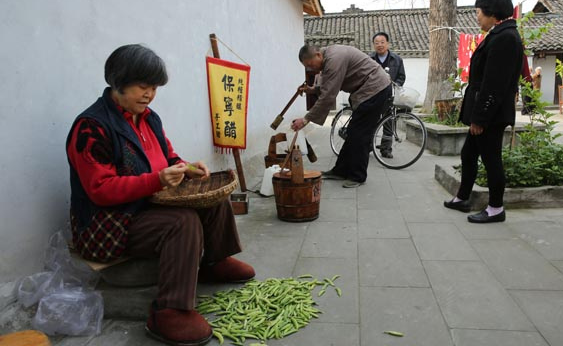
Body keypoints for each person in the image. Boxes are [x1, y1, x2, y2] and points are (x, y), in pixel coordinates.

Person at [66, 44, 255, 345]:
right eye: (143, 86)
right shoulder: (91, 128)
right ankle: (170, 311)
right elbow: (100, 190)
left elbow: (167, 157)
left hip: (147, 206)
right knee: (182, 222)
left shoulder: (149, 118)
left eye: (154, 87)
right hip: (108, 223)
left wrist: (186, 167)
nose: (149, 94)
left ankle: (214, 261)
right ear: (118, 82)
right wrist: (156, 180)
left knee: (213, 196)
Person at [443, 0, 524, 224]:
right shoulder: (498, 34)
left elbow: (494, 84)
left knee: (491, 159)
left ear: (491, 12)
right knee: (469, 153)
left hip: (491, 114)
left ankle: (496, 208)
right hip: (484, 110)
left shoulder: (506, 38)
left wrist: (480, 118)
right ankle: (463, 197)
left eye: (478, 11)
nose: (476, 16)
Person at [291, 44, 392, 188]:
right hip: (368, 91)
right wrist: (312, 90)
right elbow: (327, 85)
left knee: (360, 134)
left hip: (376, 89)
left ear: (318, 55)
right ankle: (340, 171)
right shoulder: (328, 60)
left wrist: (306, 119)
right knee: (353, 132)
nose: (311, 69)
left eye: (310, 65)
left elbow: (328, 94)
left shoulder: (334, 58)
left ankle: (358, 176)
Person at [370, 32, 406, 158]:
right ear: (373, 45)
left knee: (389, 122)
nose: (379, 45)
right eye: (376, 43)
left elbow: (402, 76)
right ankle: (369, 145)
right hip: (373, 95)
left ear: (388, 43)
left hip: (390, 95)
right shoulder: (369, 59)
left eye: (382, 42)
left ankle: (386, 149)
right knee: (371, 121)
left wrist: (396, 84)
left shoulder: (397, 59)